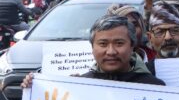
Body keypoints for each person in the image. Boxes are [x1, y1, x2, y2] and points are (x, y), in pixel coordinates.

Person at [23, 15, 165, 88]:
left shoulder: (154, 87)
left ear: (132, 46)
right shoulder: (80, 86)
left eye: (119, 43)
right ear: (92, 47)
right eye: (103, 44)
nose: (111, 51)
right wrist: (33, 87)